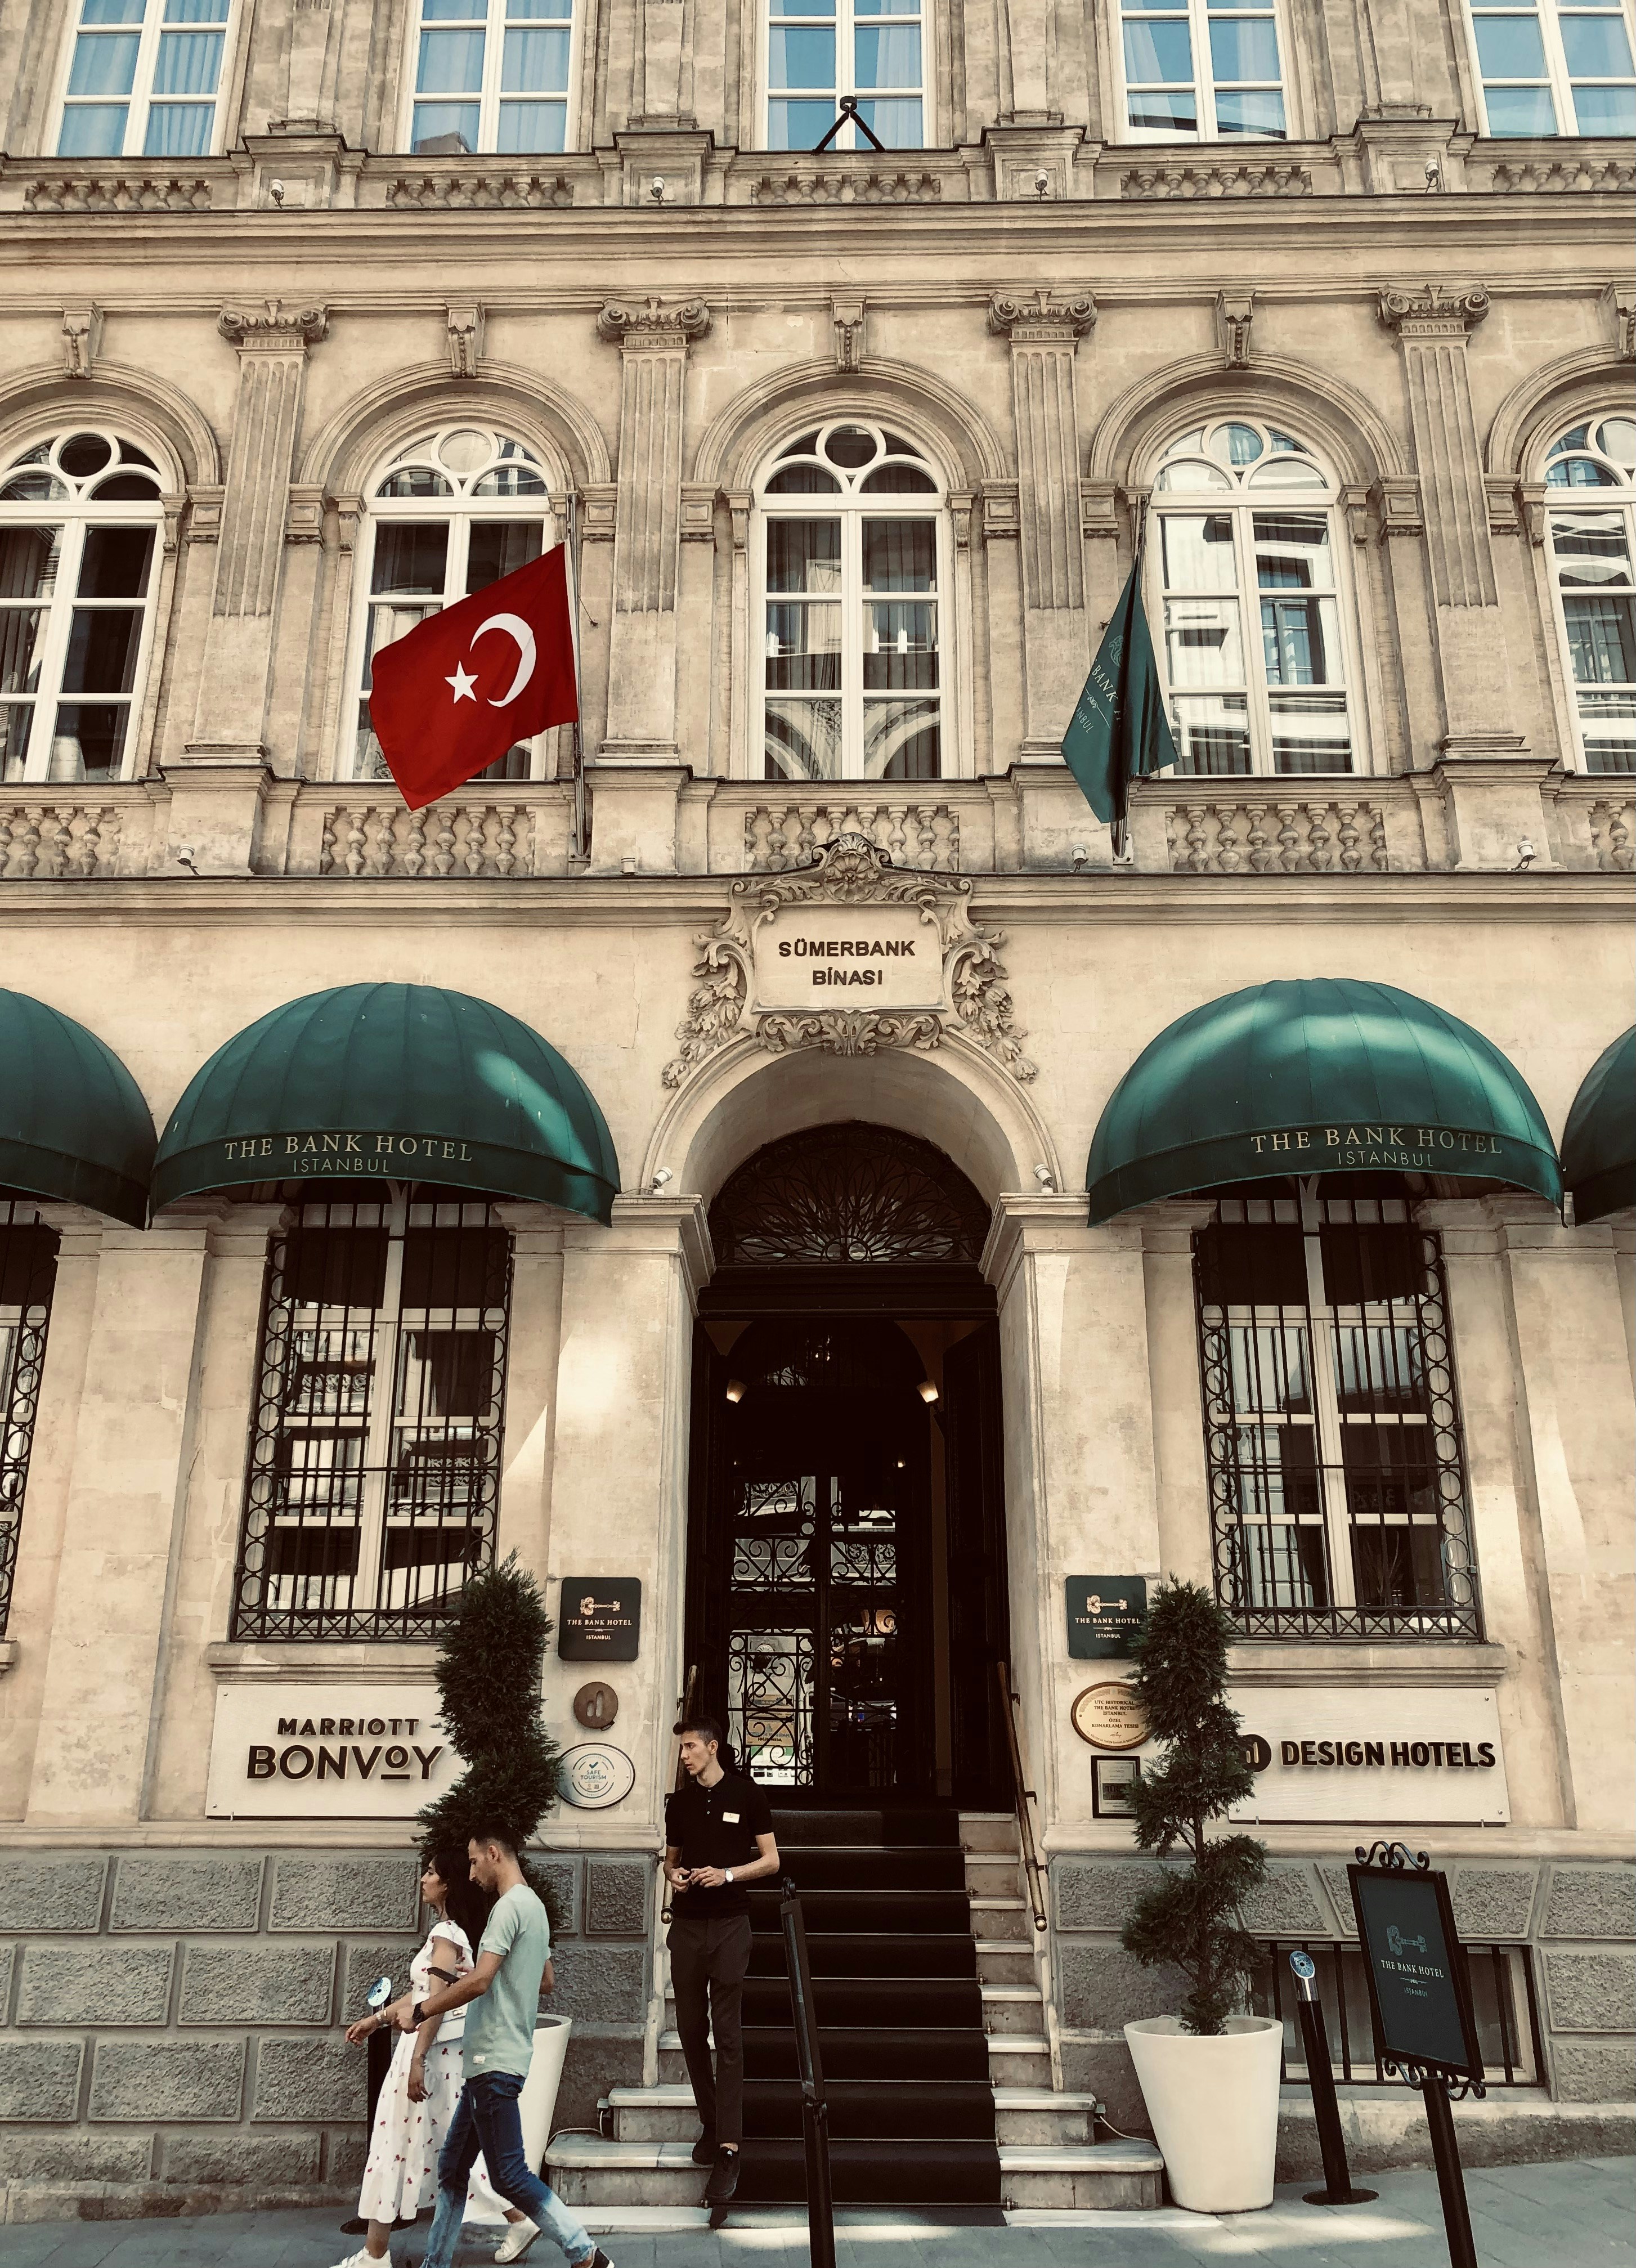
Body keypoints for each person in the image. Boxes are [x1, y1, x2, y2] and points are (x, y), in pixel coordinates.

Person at [384, 1824, 614, 2268]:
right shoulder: (535, 1908)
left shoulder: (508, 1908)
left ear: (493, 1854)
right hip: (492, 2059)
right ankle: (435, 2263)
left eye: (473, 1862)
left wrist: (423, 2009)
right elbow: (546, 1981)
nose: (470, 1874)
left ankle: (587, 2256)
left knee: (510, 2174)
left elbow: (481, 1978)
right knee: (452, 2172)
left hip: (492, 2057)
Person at [333, 1850, 528, 2267]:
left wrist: (417, 2058)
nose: (423, 1880)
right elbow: (425, 1995)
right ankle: (519, 2217)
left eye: (431, 1873)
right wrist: (378, 2019)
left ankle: (375, 2255)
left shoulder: (447, 1933)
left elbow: (435, 2002)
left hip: (430, 2053)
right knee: (443, 2148)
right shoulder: (451, 1934)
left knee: (395, 2145)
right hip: (438, 2052)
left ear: (448, 1885)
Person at [661, 1715, 780, 2210]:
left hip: (731, 1925)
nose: (684, 1756)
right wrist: (677, 1875)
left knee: (727, 2036)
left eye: (689, 1747)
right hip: (687, 1927)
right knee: (690, 2030)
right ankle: (711, 2122)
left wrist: (728, 1875)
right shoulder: (680, 1804)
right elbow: (668, 1862)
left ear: (712, 1747)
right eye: (682, 1749)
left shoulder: (746, 1794)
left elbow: (772, 1861)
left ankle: (728, 2145)